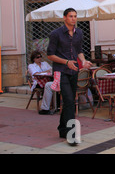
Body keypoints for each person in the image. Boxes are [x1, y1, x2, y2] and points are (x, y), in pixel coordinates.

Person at [47, 8, 92, 145]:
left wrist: (83, 61)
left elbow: (79, 50)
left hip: (74, 71)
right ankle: (71, 136)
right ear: (65, 18)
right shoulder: (56, 34)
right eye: (71, 16)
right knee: (70, 102)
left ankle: (62, 129)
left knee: (69, 101)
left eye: (75, 16)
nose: (73, 18)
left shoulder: (79, 32)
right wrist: (66, 62)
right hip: (61, 71)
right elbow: (50, 55)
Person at [27, 51, 54, 115]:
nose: (39, 58)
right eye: (37, 57)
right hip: (37, 82)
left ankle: (53, 103)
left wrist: (43, 73)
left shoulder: (45, 63)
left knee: (52, 85)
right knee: (50, 86)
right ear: (33, 59)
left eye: (40, 57)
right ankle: (50, 104)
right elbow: (35, 74)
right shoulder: (31, 66)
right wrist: (45, 72)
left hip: (47, 79)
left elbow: (51, 69)